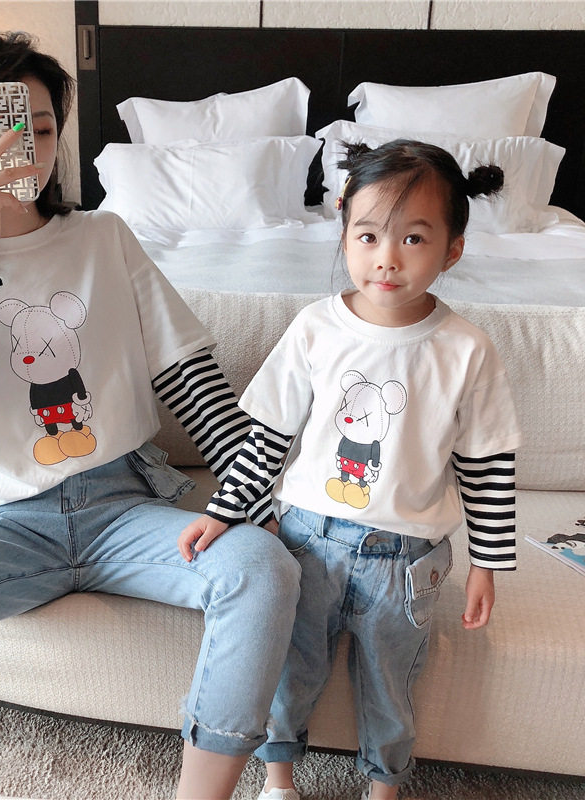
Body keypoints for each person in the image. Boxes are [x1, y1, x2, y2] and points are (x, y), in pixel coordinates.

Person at [0, 32, 301, 800]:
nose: (27, 150)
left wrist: (252, 496)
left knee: (263, 567)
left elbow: (192, 384)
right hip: (0, 525)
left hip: (123, 506)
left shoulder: (104, 238)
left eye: (42, 129)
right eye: (4, 131)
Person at [178, 140, 521, 800]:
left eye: (413, 238)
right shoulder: (315, 328)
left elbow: (487, 464)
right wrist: (223, 511)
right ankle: (278, 780)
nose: (387, 258)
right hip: (307, 541)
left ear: (452, 249)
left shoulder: (467, 349)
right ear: (344, 235)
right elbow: (268, 438)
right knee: (289, 670)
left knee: (391, 687)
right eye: (368, 236)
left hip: (408, 560)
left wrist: (488, 564)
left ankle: (383, 788)